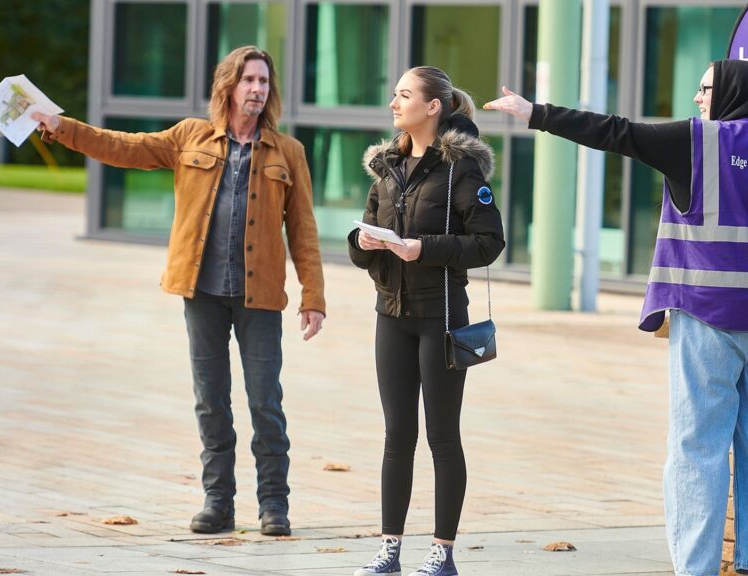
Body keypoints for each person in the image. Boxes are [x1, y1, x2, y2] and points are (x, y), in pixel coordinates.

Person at [484, 59, 748, 576]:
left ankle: (695, 568)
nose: (697, 98)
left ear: (730, 93)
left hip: (713, 313)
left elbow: (615, 133)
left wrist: (533, 112)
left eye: (705, 87)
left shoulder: (697, 142)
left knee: (698, 445)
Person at [33, 46, 325, 537]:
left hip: (260, 299)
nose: (258, 89)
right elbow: (122, 145)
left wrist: (313, 297)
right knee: (211, 400)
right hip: (202, 293)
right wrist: (62, 128)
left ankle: (274, 504)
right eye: (249, 80)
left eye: (264, 82)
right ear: (229, 86)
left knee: (264, 402)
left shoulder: (287, 152)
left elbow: (304, 231)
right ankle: (218, 501)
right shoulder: (190, 136)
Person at [347, 66, 504, 576]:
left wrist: (424, 249)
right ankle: (389, 549)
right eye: (394, 94)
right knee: (397, 435)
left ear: (433, 106)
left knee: (442, 435)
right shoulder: (388, 165)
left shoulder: (461, 170)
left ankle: (443, 552)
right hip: (390, 314)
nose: (395, 103)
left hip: (441, 317)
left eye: (405, 95)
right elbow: (367, 234)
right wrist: (362, 242)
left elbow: (488, 243)